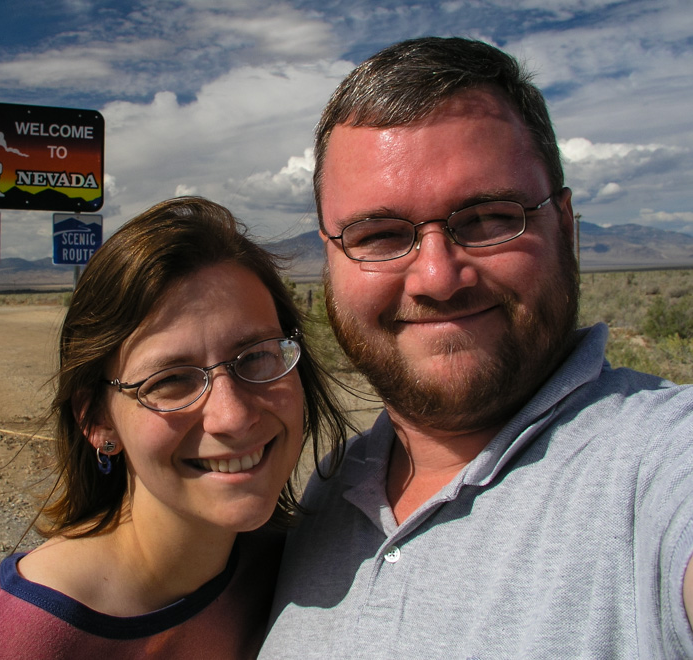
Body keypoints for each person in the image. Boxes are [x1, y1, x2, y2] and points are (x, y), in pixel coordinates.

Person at [260, 36, 693, 658]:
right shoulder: (327, 490)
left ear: (565, 227)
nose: (436, 277)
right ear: (329, 258)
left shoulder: (656, 464)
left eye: (490, 218)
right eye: (379, 234)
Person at [0, 196, 348, 659]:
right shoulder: (25, 640)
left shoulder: (300, 570)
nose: (233, 416)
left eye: (256, 357)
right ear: (96, 420)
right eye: (171, 380)